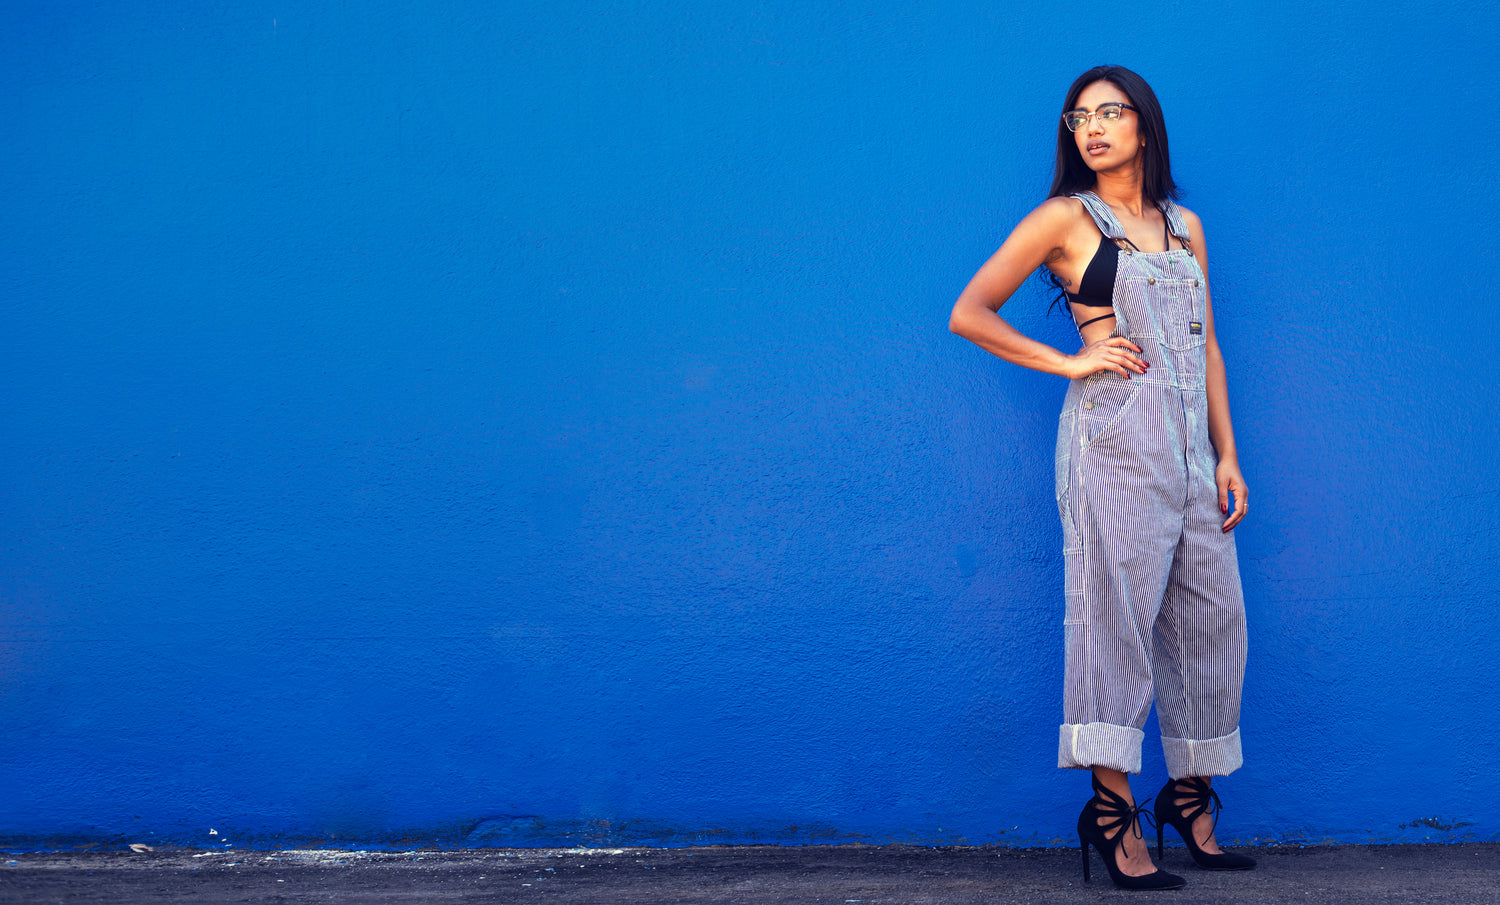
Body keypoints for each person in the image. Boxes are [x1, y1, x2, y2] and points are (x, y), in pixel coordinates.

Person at [948, 65, 1255, 890]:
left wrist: (1227, 453)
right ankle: (1113, 810)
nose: (1092, 127)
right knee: (1113, 621)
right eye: (1079, 116)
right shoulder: (1062, 219)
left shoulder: (1185, 227)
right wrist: (1070, 361)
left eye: (1110, 112)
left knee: (1211, 622)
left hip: (1192, 447)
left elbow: (1209, 347)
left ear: (1144, 128)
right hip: (1113, 440)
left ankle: (1189, 798)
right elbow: (969, 310)